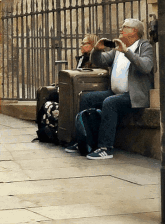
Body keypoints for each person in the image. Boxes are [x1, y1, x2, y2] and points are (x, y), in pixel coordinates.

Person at [63, 17, 155, 160]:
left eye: (124, 27)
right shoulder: (118, 47)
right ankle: (83, 140)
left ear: (134, 31)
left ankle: (105, 148)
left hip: (134, 96)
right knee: (87, 98)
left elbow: (146, 66)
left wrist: (127, 52)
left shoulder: (144, 46)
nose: (120, 29)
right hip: (115, 92)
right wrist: (97, 50)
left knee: (110, 102)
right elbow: (100, 60)